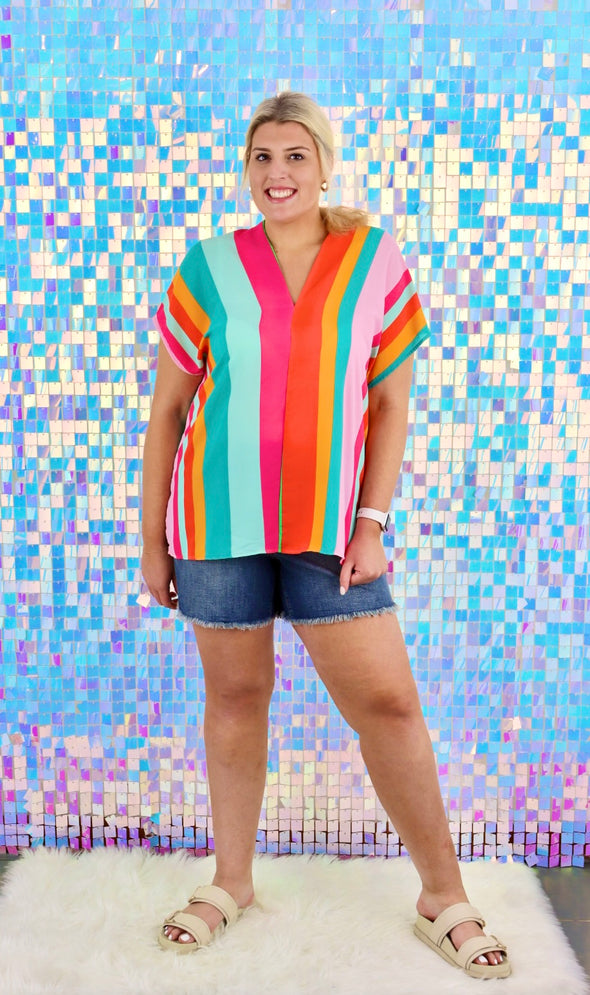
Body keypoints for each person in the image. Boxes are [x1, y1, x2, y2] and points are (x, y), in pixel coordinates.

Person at [141, 90, 510, 980]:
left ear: (323, 165)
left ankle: (444, 895)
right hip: (215, 524)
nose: (278, 174)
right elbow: (168, 413)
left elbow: (390, 406)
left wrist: (372, 523)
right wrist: (153, 541)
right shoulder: (208, 267)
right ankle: (231, 881)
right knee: (235, 701)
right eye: (262, 158)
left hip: (333, 533)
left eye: (295, 156)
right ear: (246, 169)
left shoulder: (372, 261)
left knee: (389, 705)